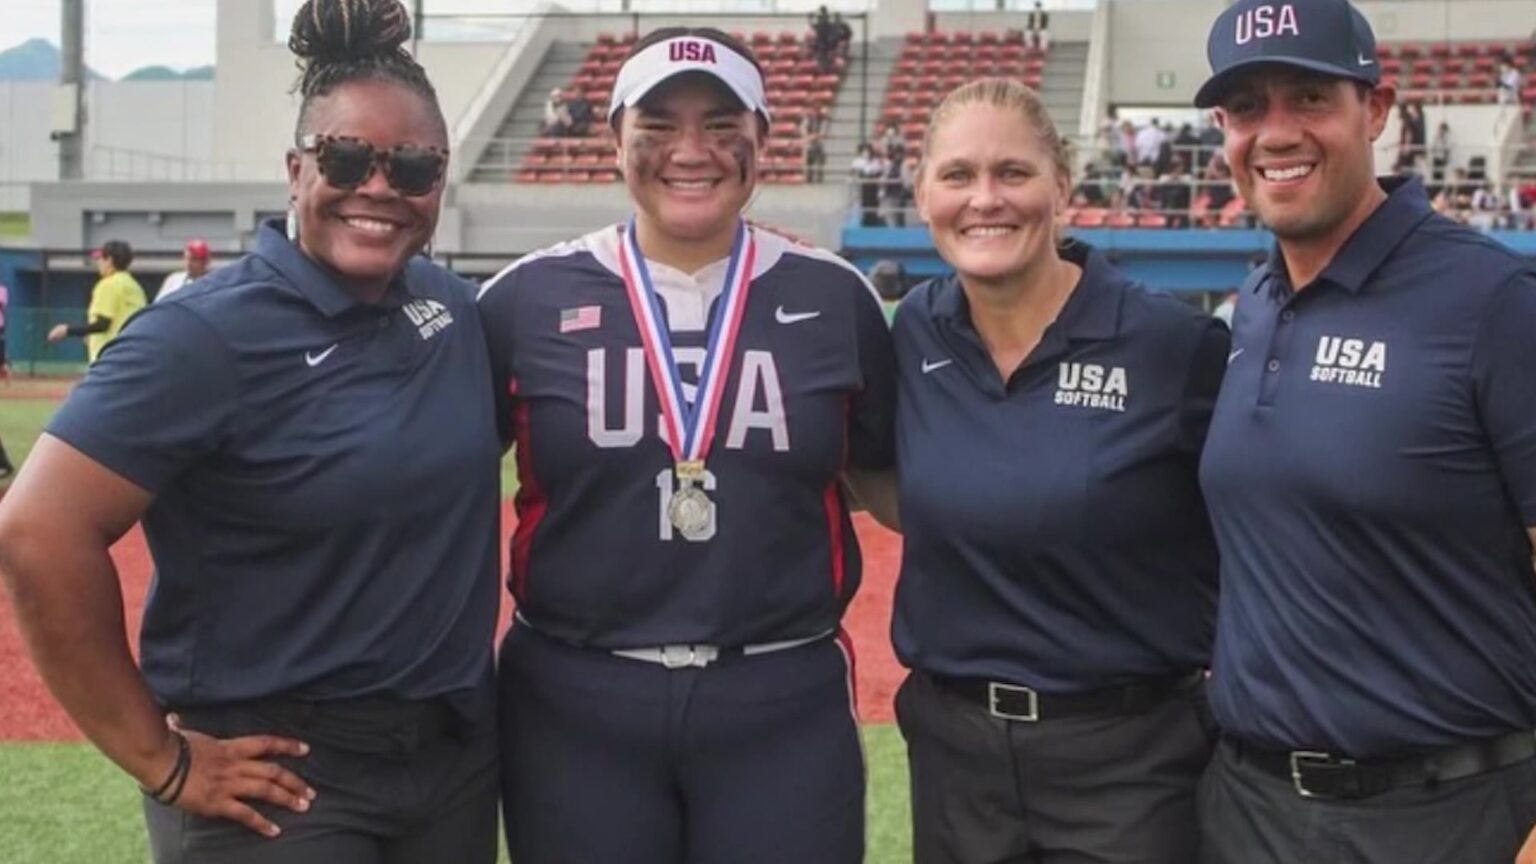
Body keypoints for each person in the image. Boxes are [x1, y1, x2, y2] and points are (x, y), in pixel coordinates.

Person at [0, 1, 501, 862]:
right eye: (347, 158)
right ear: (296, 170)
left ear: (441, 182)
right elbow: (37, 529)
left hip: (449, 760)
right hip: (283, 775)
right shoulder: (202, 335)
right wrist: (160, 762)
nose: (379, 187)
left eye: (414, 166)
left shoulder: (453, 309)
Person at [477, 26, 895, 864]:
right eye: (659, 124)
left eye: (722, 123)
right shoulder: (522, 300)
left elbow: (892, 484)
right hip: (574, 698)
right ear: (615, 139)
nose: (691, 150)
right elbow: (429, 487)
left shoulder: (835, 297)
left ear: (765, 138)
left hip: (780, 693)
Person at [1191, 0, 1536, 861]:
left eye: (1310, 97)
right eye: (1247, 107)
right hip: (1249, 810)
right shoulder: (1255, 305)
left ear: (1376, 110)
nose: (1276, 132)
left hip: (1451, 814)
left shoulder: (1493, 303)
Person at [882, 76, 1226, 864]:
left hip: (1131, 762)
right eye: (958, 175)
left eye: (1014, 172)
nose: (985, 199)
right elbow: (875, 481)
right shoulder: (913, 334)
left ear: (1062, 187)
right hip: (955, 759)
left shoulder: (1173, 346)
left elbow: (1261, 518)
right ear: (923, 192)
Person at [47, 239, 146, 364]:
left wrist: (66, 330)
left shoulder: (108, 285)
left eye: (100, 259)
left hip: (109, 357)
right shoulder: (135, 287)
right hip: (133, 354)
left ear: (109, 260)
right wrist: (92, 335)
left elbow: (102, 324)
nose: (98, 262)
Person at [156, 238, 212, 302]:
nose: (189, 263)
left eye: (194, 259)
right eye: (187, 258)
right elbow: (159, 303)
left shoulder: (211, 285)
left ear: (205, 262)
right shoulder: (173, 280)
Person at [851, 141, 887, 226]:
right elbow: (852, 172)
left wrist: (880, 188)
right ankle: (865, 221)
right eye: (864, 151)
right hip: (863, 188)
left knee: (874, 205)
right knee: (864, 205)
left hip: (873, 188)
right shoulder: (857, 161)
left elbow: (880, 173)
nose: (866, 153)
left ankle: (873, 221)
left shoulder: (875, 161)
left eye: (868, 151)